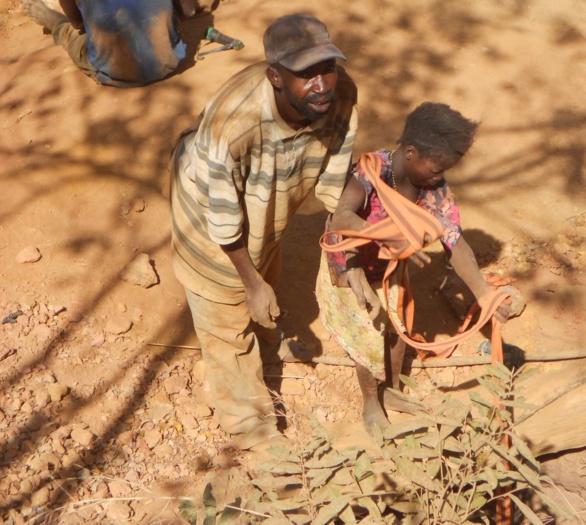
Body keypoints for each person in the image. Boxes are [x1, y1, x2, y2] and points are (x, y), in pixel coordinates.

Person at [170, 13, 357, 450]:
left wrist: (346, 247)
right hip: (206, 215)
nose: (322, 84)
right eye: (305, 75)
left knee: (265, 256)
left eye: (325, 68)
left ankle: (265, 334)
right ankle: (251, 430)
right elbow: (223, 220)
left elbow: (335, 173)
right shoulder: (233, 124)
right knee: (226, 315)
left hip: (267, 202)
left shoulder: (340, 93)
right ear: (275, 76)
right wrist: (251, 284)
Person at [316, 102, 518, 432]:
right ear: (411, 152)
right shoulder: (370, 171)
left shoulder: (432, 187)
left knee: (398, 333)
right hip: (350, 263)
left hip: (390, 267)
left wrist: (484, 295)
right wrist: (385, 238)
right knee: (367, 336)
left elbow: (455, 242)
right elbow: (342, 217)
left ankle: (393, 392)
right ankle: (370, 402)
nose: (440, 177)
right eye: (436, 168)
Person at [22, 0, 215, 87]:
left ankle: (56, 24)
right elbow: (189, 10)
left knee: (76, 33)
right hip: (170, 59)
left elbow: (79, 22)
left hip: (116, 72)